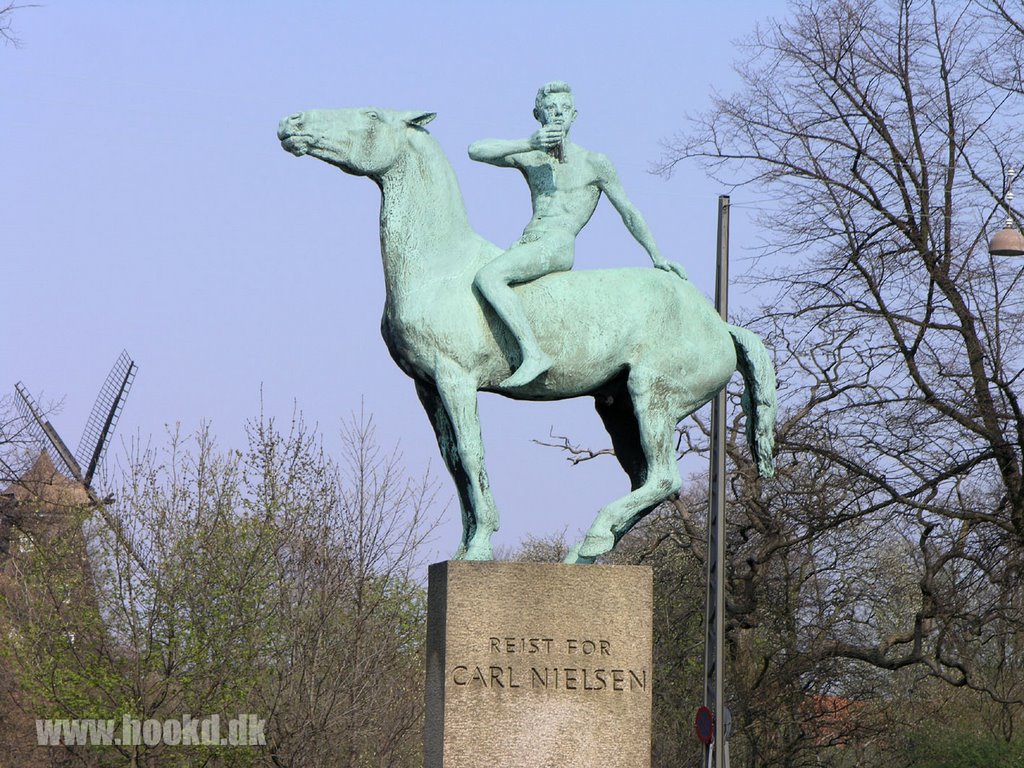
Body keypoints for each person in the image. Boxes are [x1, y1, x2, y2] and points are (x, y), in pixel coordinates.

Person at [469, 81, 688, 388]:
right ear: (538, 115)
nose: (558, 114)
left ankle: (534, 353)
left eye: (564, 109)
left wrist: (657, 255)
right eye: (550, 109)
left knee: (488, 277)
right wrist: (528, 143)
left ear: (574, 116)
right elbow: (475, 150)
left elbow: (628, 211)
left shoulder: (593, 162)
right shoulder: (531, 156)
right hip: (527, 242)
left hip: (556, 243)